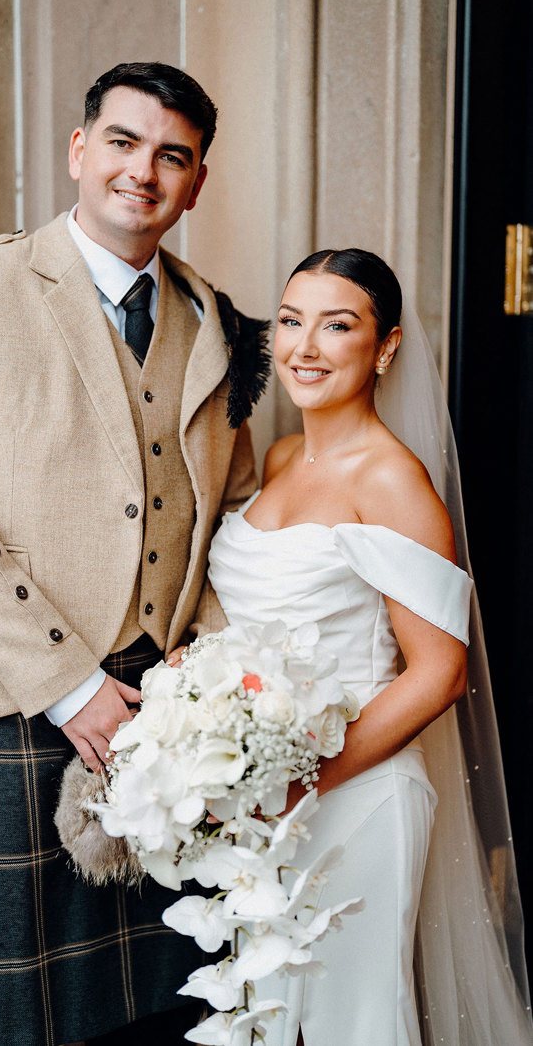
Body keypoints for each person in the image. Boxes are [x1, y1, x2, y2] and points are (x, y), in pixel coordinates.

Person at [0, 62, 269, 1046]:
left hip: (165, 722)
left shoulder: (219, 323)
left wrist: (203, 666)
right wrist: (69, 686)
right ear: (78, 150)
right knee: (1, 1018)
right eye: (122, 141)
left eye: (172, 156)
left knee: (156, 1008)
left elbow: (238, 514)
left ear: (196, 182)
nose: (142, 171)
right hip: (12, 701)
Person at [205, 248, 533, 1045]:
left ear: (384, 346)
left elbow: (441, 672)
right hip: (266, 800)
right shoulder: (281, 459)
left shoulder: (390, 480)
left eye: (337, 325)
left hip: (356, 797)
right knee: (271, 1019)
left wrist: (307, 781)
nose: (304, 346)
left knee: (352, 1023)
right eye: (290, 321)